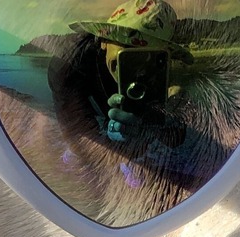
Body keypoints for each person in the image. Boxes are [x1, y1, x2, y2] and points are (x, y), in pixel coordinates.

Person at [49, 0, 192, 146]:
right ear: (104, 40)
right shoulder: (68, 66)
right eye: (127, 48)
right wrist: (112, 139)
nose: (138, 66)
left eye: (149, 53)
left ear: (164, 55)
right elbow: (78, 139)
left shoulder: (160, 70)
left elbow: (173, 140)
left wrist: (169, 119)